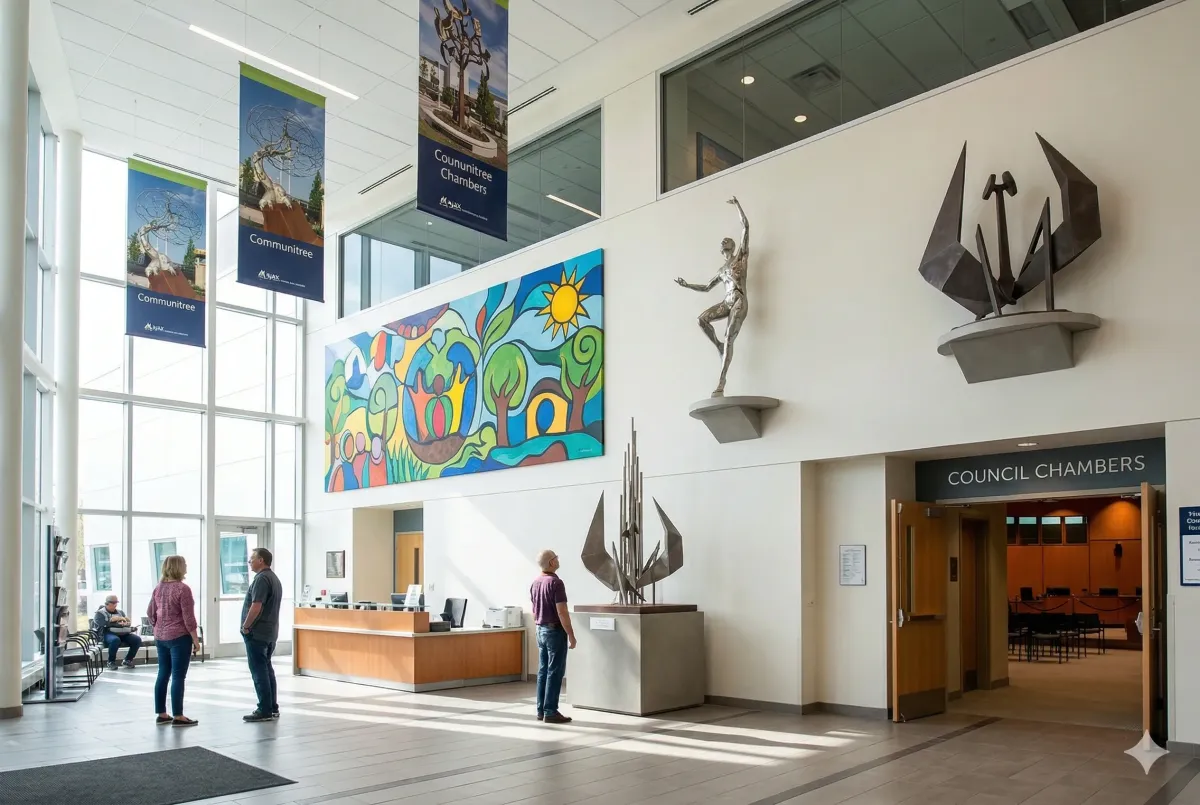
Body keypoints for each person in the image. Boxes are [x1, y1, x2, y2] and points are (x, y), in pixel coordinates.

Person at [147, 555, 200, 727]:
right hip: (179, 637)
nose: (186, 566)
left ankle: (162, 714)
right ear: (178, 567)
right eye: (184, 564)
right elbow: (189, 618)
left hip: (160, 638)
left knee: (163, 673)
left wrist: (158, 627)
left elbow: (150, 612)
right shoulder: (182, 589)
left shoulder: (158, 588)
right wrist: (196, 640)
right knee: (178, 675)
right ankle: (178, 715)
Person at [530, 549, 576, 724]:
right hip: (554, 631)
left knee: (543, 671)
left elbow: (534, 611)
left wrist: (539, 626)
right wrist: (571, 634)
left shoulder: (535, 583)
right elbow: (562, 611)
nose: (558, 560)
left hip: (540, 629)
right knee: (555, 671)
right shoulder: (556, 583)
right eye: (556, 557)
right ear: (551, 562)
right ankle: (550, 711)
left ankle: (541, 710)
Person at [241, 547, 283, 723]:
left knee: (258, 670)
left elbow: (256, 606)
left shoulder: (261, 579)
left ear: (261, 560)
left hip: (257, 633)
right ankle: (272, 707)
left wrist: (246, 626)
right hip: (270, 632)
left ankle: (264, 709)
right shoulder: (273, 578)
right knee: (266, 669)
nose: (249, 561)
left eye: (252, 558)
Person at [93, 595, 142, 670]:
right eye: (113, 603)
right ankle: (111, 662)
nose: (115, 605)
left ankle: (128, 660)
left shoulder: (120, 612)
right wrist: (115, 622)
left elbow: (127, 622)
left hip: (122, 633)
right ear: (107, 604)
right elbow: (103, 624)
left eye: (116, 603)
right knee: (115, 640)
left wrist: (126, 624)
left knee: (137, 639)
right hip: (107, 633)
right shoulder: (100, 613)